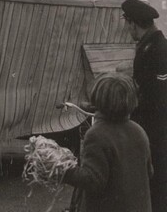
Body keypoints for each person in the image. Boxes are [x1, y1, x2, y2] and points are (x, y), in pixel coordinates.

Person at [62, 73, 152, 212]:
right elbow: (149, 172)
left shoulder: (97, 134)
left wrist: (63, 170)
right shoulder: (139, 130)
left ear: (98, 99)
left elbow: (92, 181)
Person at [121, 0, 167, 211]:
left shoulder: (154, 49)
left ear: (132, 23)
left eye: (127, 23)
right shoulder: (157, 44)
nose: (127, 28)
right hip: (158, 127)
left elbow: (151, 94)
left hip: (153, 129)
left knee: (154, 184)